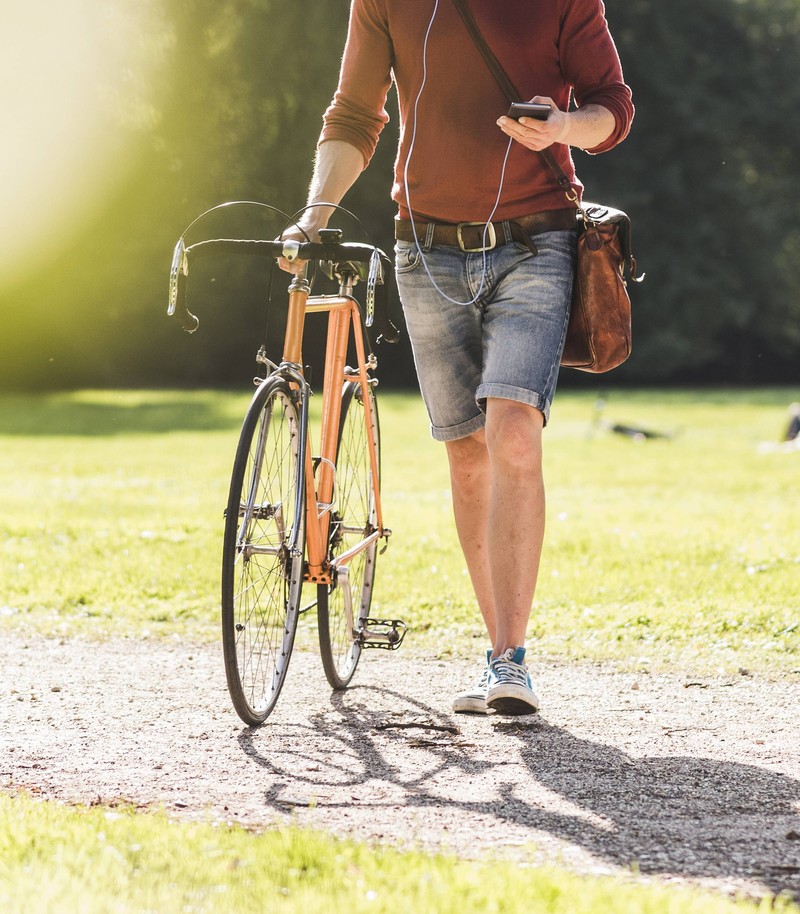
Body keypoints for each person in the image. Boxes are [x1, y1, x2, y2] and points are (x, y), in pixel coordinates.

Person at [281, 0, 634, 714]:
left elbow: (612, 109)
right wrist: (314, 216)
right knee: (467, 451)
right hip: (426, 251)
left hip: (537, 244)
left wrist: (562, 127)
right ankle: (496, 646)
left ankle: (509, 661)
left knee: (514, 432)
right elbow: (354, 116)